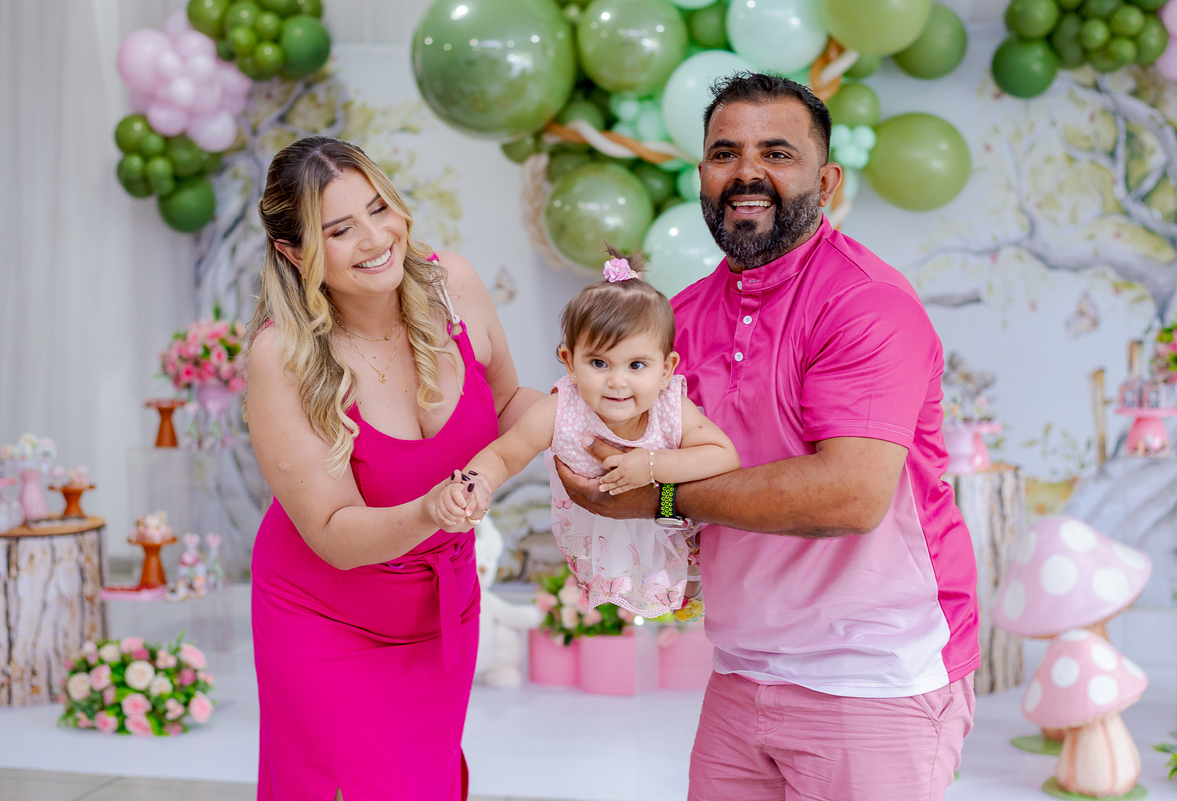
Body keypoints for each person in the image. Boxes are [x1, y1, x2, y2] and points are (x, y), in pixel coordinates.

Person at [557, 73, 980, 801]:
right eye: (725, 153)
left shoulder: (867, 304)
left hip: (875, 676)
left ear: (828, 180)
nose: (746, 173)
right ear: (701, 176)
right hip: (740, 670)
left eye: (777, 153)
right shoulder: (679, 320)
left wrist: (658, 495)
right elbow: (611, 446)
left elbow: (849, 496)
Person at [245, 136, 539, 801]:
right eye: (340, 229)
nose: (376, 238)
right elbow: (332, 530)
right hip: (327, 619)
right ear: (294, 253)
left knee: (424, 783)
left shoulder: (452, 284)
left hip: (441, 606)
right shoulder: (283, 356)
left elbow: (505, 405)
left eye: (379, 208)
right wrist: (431, 510)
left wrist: (594, 416)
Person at [434, 249, 739, 618]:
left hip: (672, 521)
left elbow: (723, 456)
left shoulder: (670, 408)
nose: (617, 381)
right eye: (599, 363)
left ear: (665, 370)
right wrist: (476, 484)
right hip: (600, 535)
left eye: (636, 365)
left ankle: (689, 595)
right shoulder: (560, 411)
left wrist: (651, 464)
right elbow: (503, 455)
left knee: (691, 586)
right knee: (622, 597)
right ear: (570, 363)